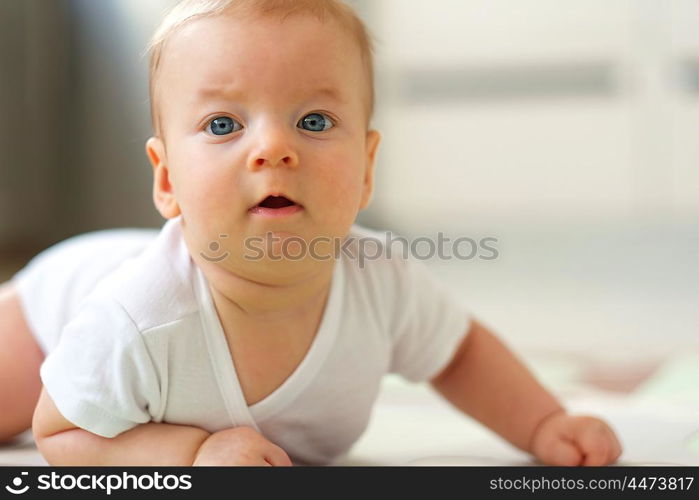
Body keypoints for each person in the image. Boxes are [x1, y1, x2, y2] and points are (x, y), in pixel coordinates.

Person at [0, 0, 622, 466]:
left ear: (368, 167)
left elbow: (458, 351)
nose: (273, 148)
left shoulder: (383, 280)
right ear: (166, 180)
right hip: (44, 317)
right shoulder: (137, 317)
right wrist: (190, 454)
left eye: (314, 119)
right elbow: (60, 432)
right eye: (223, 124)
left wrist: (544, 424)